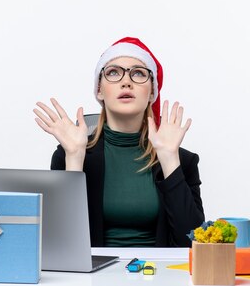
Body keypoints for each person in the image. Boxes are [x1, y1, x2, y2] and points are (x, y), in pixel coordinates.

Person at [33, 37, 204, 247]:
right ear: (99, 90)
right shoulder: (68, 153)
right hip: (94, 278)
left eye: (138, 73)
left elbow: (194, 245)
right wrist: (75, 160)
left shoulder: (182, 160)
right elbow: (62, 245)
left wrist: (169, 160)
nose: (126, 81)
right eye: (113, 72)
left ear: (152, 92)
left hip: (160, 275)